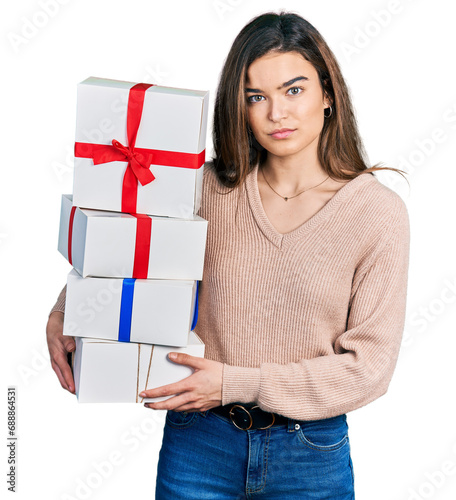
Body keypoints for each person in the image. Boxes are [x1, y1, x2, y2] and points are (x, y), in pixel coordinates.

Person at [46, 11, 410, 499]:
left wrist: (238, 383)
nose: (276, 113)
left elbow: (368, 369)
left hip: (310, 454)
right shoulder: (205, 190)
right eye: (255, 97)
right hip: (199, 441)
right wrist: (66, 310)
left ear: (328, 94)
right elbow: (127, 251)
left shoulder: (377, 213)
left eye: (294, 90)